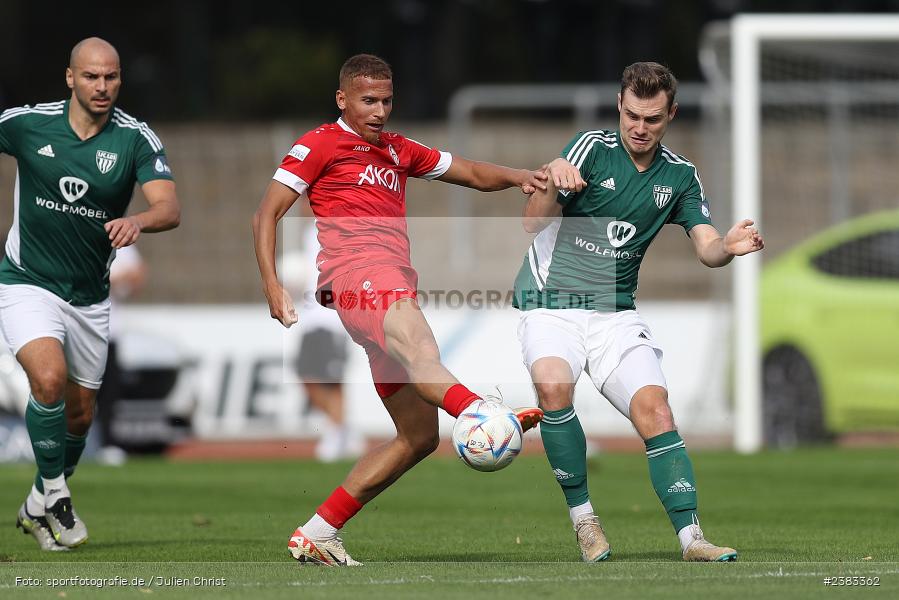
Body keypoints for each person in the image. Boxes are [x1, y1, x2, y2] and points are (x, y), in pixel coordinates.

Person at [253, 54, 579, 566]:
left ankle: (319, 530)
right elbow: (266, 213)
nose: (380, 110)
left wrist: (522, 176)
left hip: (384, 285)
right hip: (359, 276)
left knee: (418, 436)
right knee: (423, 348)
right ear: (343, 99)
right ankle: (482, 413)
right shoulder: (318, 144)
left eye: (386, 100)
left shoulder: (399, 150)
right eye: (368, 101)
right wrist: (272, 284)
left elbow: (469, 171)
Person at [515, 62, 763, 563]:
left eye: (652, 118)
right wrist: (549, 181)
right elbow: (530, 223)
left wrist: (730, 247)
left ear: (670, 113)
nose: (639, 127)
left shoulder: (680, 176)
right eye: (631, 115)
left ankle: (692, 540)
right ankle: (585, 521)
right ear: (619, 107)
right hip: (551, 305)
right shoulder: (590, 149)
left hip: (615, 314)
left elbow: (707, 249)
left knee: (658, 411)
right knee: (554, 387)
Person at [1, 37, 181, 551]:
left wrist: (139, 220)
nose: (102, 87)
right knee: (49, 378)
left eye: (112, 77)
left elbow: (169, 207)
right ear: (70, 78)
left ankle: (39, 500)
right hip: (26, 281)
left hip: (90, 299)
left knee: (80, 416)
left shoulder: (134, 138)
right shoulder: (27, 123)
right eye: (91, 77)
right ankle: (57, 497)